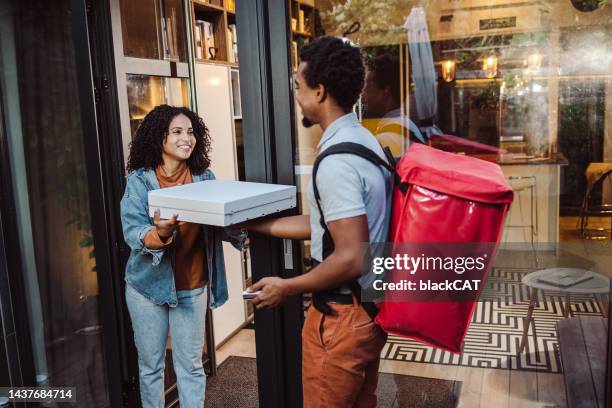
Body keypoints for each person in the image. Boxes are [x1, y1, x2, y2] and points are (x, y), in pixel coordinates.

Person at [245, 37, 392, 407]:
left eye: (298, 86)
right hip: (369, 310)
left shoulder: (337, 163)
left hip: (340, 318)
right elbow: (329, 224)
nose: (296, 95)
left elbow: (349, 256)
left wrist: (287, 286)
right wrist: (255, 224)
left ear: (320, 91)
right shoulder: (363, 141)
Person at [120, 104, 244, 408]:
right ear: (157, 137)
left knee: (190, 366)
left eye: (190, 132)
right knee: (151, 368)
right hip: (146, 287)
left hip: (192, 285)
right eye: (176, 131)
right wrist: (160, 233)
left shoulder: (204, 177)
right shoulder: (140, 181)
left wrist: (242, 220)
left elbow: (223, 222)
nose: (186, 138)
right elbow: (132, 231)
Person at [362, 53, 426, 157]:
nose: (364, 94)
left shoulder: (385, 139)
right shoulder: (410, 126)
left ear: (385, 91)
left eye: (368, 87)